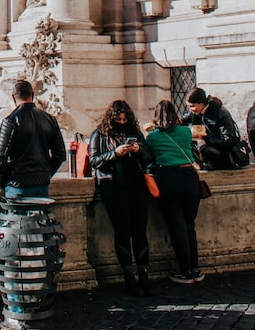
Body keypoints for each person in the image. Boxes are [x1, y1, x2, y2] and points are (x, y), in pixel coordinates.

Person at [89, 100, 152, 296]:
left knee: (140, 230)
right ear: (111, 118)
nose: (122, 122)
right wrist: (114, 154)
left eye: (125, 119)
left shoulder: (135, 131)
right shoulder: (98, 134)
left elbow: (149, 156)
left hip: (136, 185)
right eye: (119, 119)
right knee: (123, 231)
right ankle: (129, 277)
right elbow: (94, 160)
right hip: (113, 186)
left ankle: (144, 274)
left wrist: (138, 150)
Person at [145, 100, 203, 285]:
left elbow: (150, 159)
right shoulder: (186, 131)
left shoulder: (152, 137)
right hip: (189, 177)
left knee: (176, 227)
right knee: (189, 225)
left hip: (167, 178)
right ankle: (195, 268)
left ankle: (185, 270)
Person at [0, 79, 66, 198]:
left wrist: (1, 181)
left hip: (17, 183)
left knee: (16, 216)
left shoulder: (10, 121)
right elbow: (60, 155)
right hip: (42, 183)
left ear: (13, 97)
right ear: (32, 95)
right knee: (41, 216)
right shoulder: (49, 119)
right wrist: (46, 174)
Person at [182, 88, 240, 170]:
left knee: (203, 149)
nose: (190, 110)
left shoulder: (221, 113)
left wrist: (206, 140)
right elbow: (182, 119)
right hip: (207, 151)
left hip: (224, 155)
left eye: (192, 106)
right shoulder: (195, 112)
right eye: (188, 107)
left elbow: (228, 140)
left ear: (201, 104)